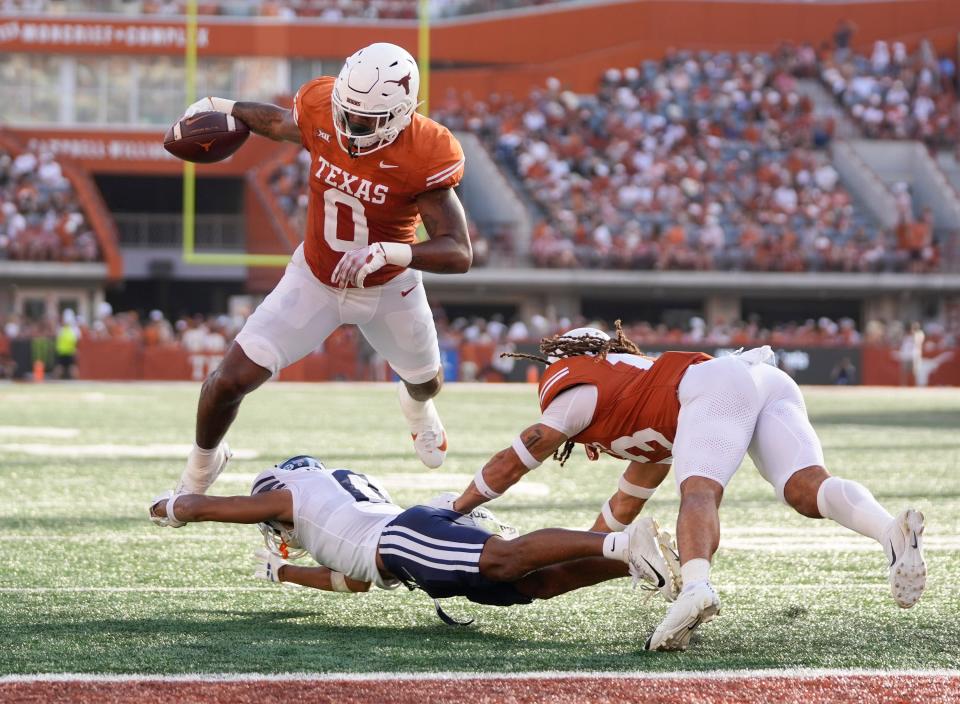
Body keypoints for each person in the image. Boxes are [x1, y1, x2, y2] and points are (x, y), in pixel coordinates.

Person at [444, 323, 927, 652]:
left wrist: (458, 505)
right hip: (760, 381)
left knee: (698, 491)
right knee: (805, 489)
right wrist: (580, 557)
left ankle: (697, 587)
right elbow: (619, 512)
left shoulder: (583, 386)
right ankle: (890, 531)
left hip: (717, 382)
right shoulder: (640, 419)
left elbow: (525, 449)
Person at [170, 42, 472, 498]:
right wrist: (225, 106)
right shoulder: (322, 106)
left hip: (389, 287)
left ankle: (416, 410)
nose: (347, 127)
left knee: (426, 382)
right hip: (314, 277)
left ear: (401, 114)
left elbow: (459, 251)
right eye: (343, 113)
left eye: (362, 121)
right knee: (227, 380)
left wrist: (393, 253)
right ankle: (202, 466)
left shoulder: (426, 151)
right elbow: (276, 122)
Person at [148, 455, 678, 613]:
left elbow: (206, 508)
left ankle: (624, 542)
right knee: (530, 585)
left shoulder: (293, 493)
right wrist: (286, 573)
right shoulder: (329, 498)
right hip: (404, 551)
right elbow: (353, 582)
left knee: (506, 560)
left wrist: (172, 502)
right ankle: (630, 560)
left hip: (402, 540)